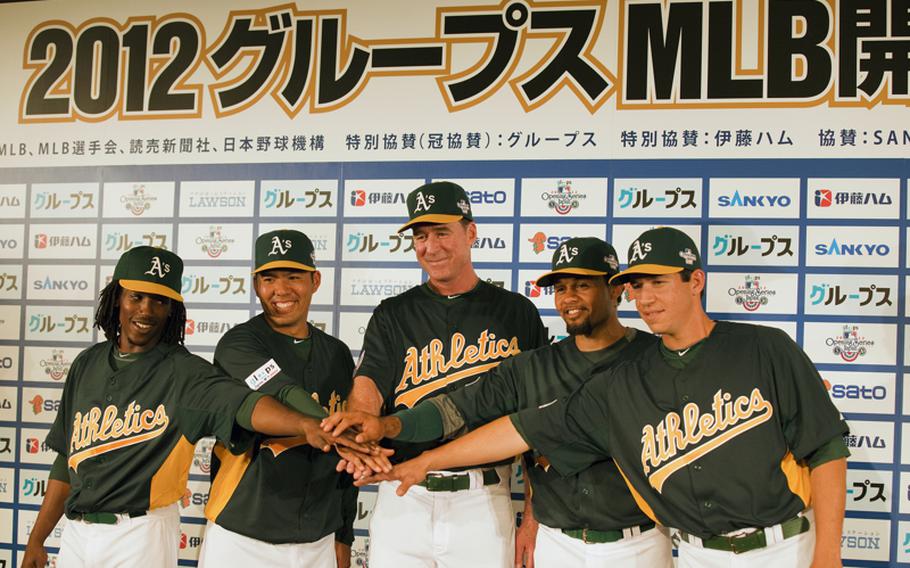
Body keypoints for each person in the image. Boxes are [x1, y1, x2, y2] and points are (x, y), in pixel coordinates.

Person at [357, 227, 849, 568]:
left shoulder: (760, 349)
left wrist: (829, 553)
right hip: (679, 551)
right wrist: (419, 455)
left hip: (784, 547)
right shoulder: (620, 379)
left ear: (695, 281)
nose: (647, 297)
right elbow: (519, 429)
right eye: (640, 285)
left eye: (658, 282)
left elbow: (825, 446)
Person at [325, 237, 671, 567]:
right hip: (557, 543)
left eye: (582, 285)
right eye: (561, 287)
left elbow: (519, 433)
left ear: (616, 288)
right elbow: (457, 408)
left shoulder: (656, 359)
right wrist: (388, 426)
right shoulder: (534, 365)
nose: (569, 297)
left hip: (638, 541)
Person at [21, 246, 373, 568]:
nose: (146, 309)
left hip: (139, 531)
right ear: (117, 298)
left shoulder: (185, 370)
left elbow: (245, 404)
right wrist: (37, 538)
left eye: (159, 301)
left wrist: (306, 425)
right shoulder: (86, 363)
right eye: (136, 296)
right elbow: (67, 460)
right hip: (76, 534)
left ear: (173, 308)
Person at [347, 181, 547, 567]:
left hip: (483, 503)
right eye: (421, 236)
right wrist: (361, 426)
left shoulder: (516, 312)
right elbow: (368, 383)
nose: (431, 246)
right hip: (404, 499)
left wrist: (533, 518)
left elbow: (537, 421)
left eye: (442, 232)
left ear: (471, 233)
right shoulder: (393, 313)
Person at [198, 230, 357, 568]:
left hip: (318, 537)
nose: (281, 290)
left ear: (315, 281)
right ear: (256, 284)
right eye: (269, 278)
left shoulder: (338, 354)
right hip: (242, 534)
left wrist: (344, 535)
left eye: (293, 277)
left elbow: (345, 466)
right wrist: (326, 428)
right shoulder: (238, 344)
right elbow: (279, 388)